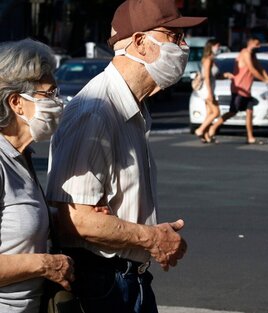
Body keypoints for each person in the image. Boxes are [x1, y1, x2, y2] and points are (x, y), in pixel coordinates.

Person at [45, 0, 206, 312]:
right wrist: (151, 238)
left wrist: (137, 229)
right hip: (103, 285)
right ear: (140, 42)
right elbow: (74, 221)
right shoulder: (95, 111)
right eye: (173, 36)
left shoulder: (130, 108)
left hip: (128, 281)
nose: (183, 46)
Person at [0, 39, 74, 312]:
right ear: (17, 103)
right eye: (49, 94)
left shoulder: (21, 157)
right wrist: (45, 264)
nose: (58, 102)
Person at [207, 37, 268, 144]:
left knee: (249, 112)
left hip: (247, 89)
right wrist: (264, 80)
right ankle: (213, 127)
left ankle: (250, 137)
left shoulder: (253, 56)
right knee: (232, 112)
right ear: (250, 43)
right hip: (238, 88)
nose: (259, 46)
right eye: (257, 44)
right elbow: (252, 69)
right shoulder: (245, 53)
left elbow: (260, 68)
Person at [194, 39, 232, 143]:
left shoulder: (211, 59)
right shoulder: (208, 60)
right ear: (211, 47)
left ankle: (206, 136)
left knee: (209, 113)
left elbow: (214, 76)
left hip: (209, 89)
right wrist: (210, 93)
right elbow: (206, 77)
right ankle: (200, 130)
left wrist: (226, 75)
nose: (218, 48)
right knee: (216, 112)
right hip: (207, 90)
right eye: (217, 46)